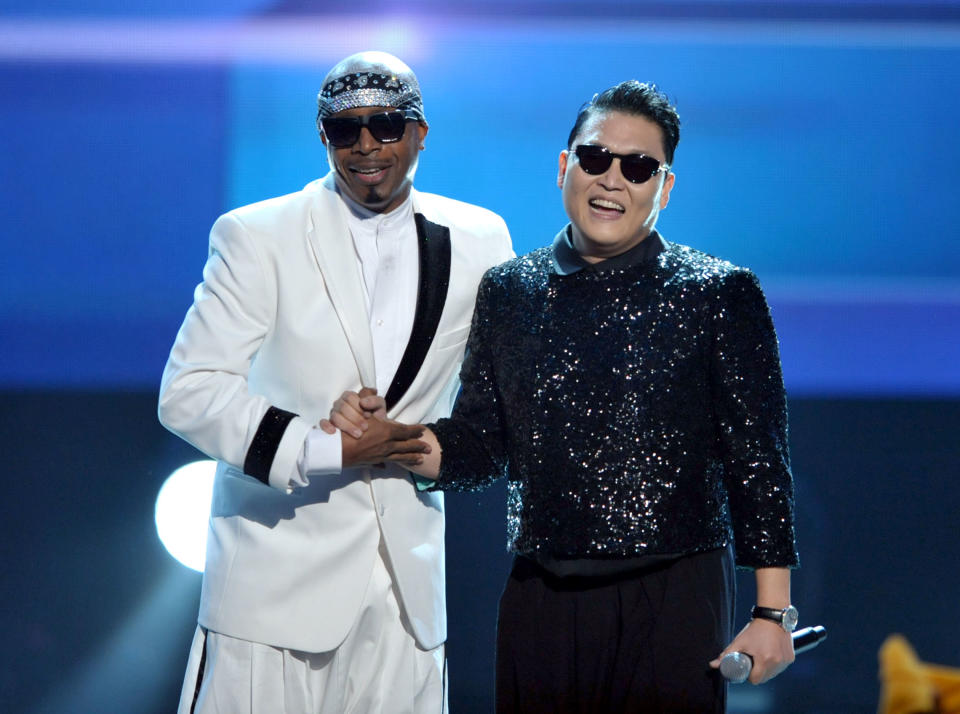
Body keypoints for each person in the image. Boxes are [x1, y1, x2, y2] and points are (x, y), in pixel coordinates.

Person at [328, 81, 799, 713]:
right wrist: (396, 442)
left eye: (638, 167)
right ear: (564, 166)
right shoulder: (509, 291)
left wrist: (773, 611)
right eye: (595, 158)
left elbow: (758, 461)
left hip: (674, 592)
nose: (611, 180)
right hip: (540, 594)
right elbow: (481, 444)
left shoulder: (719, 293)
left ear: (664, 186)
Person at [158, 50, 513, 714]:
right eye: (345, 130)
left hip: (406, 597)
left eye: (385, 124)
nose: (366, 144)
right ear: (323, 136)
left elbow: (499, 406)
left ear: (420, 132)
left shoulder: (481, 240)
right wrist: (326, 446)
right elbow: (189, 390)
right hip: (271, 593)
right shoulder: (256, 235)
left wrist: (418, 445)